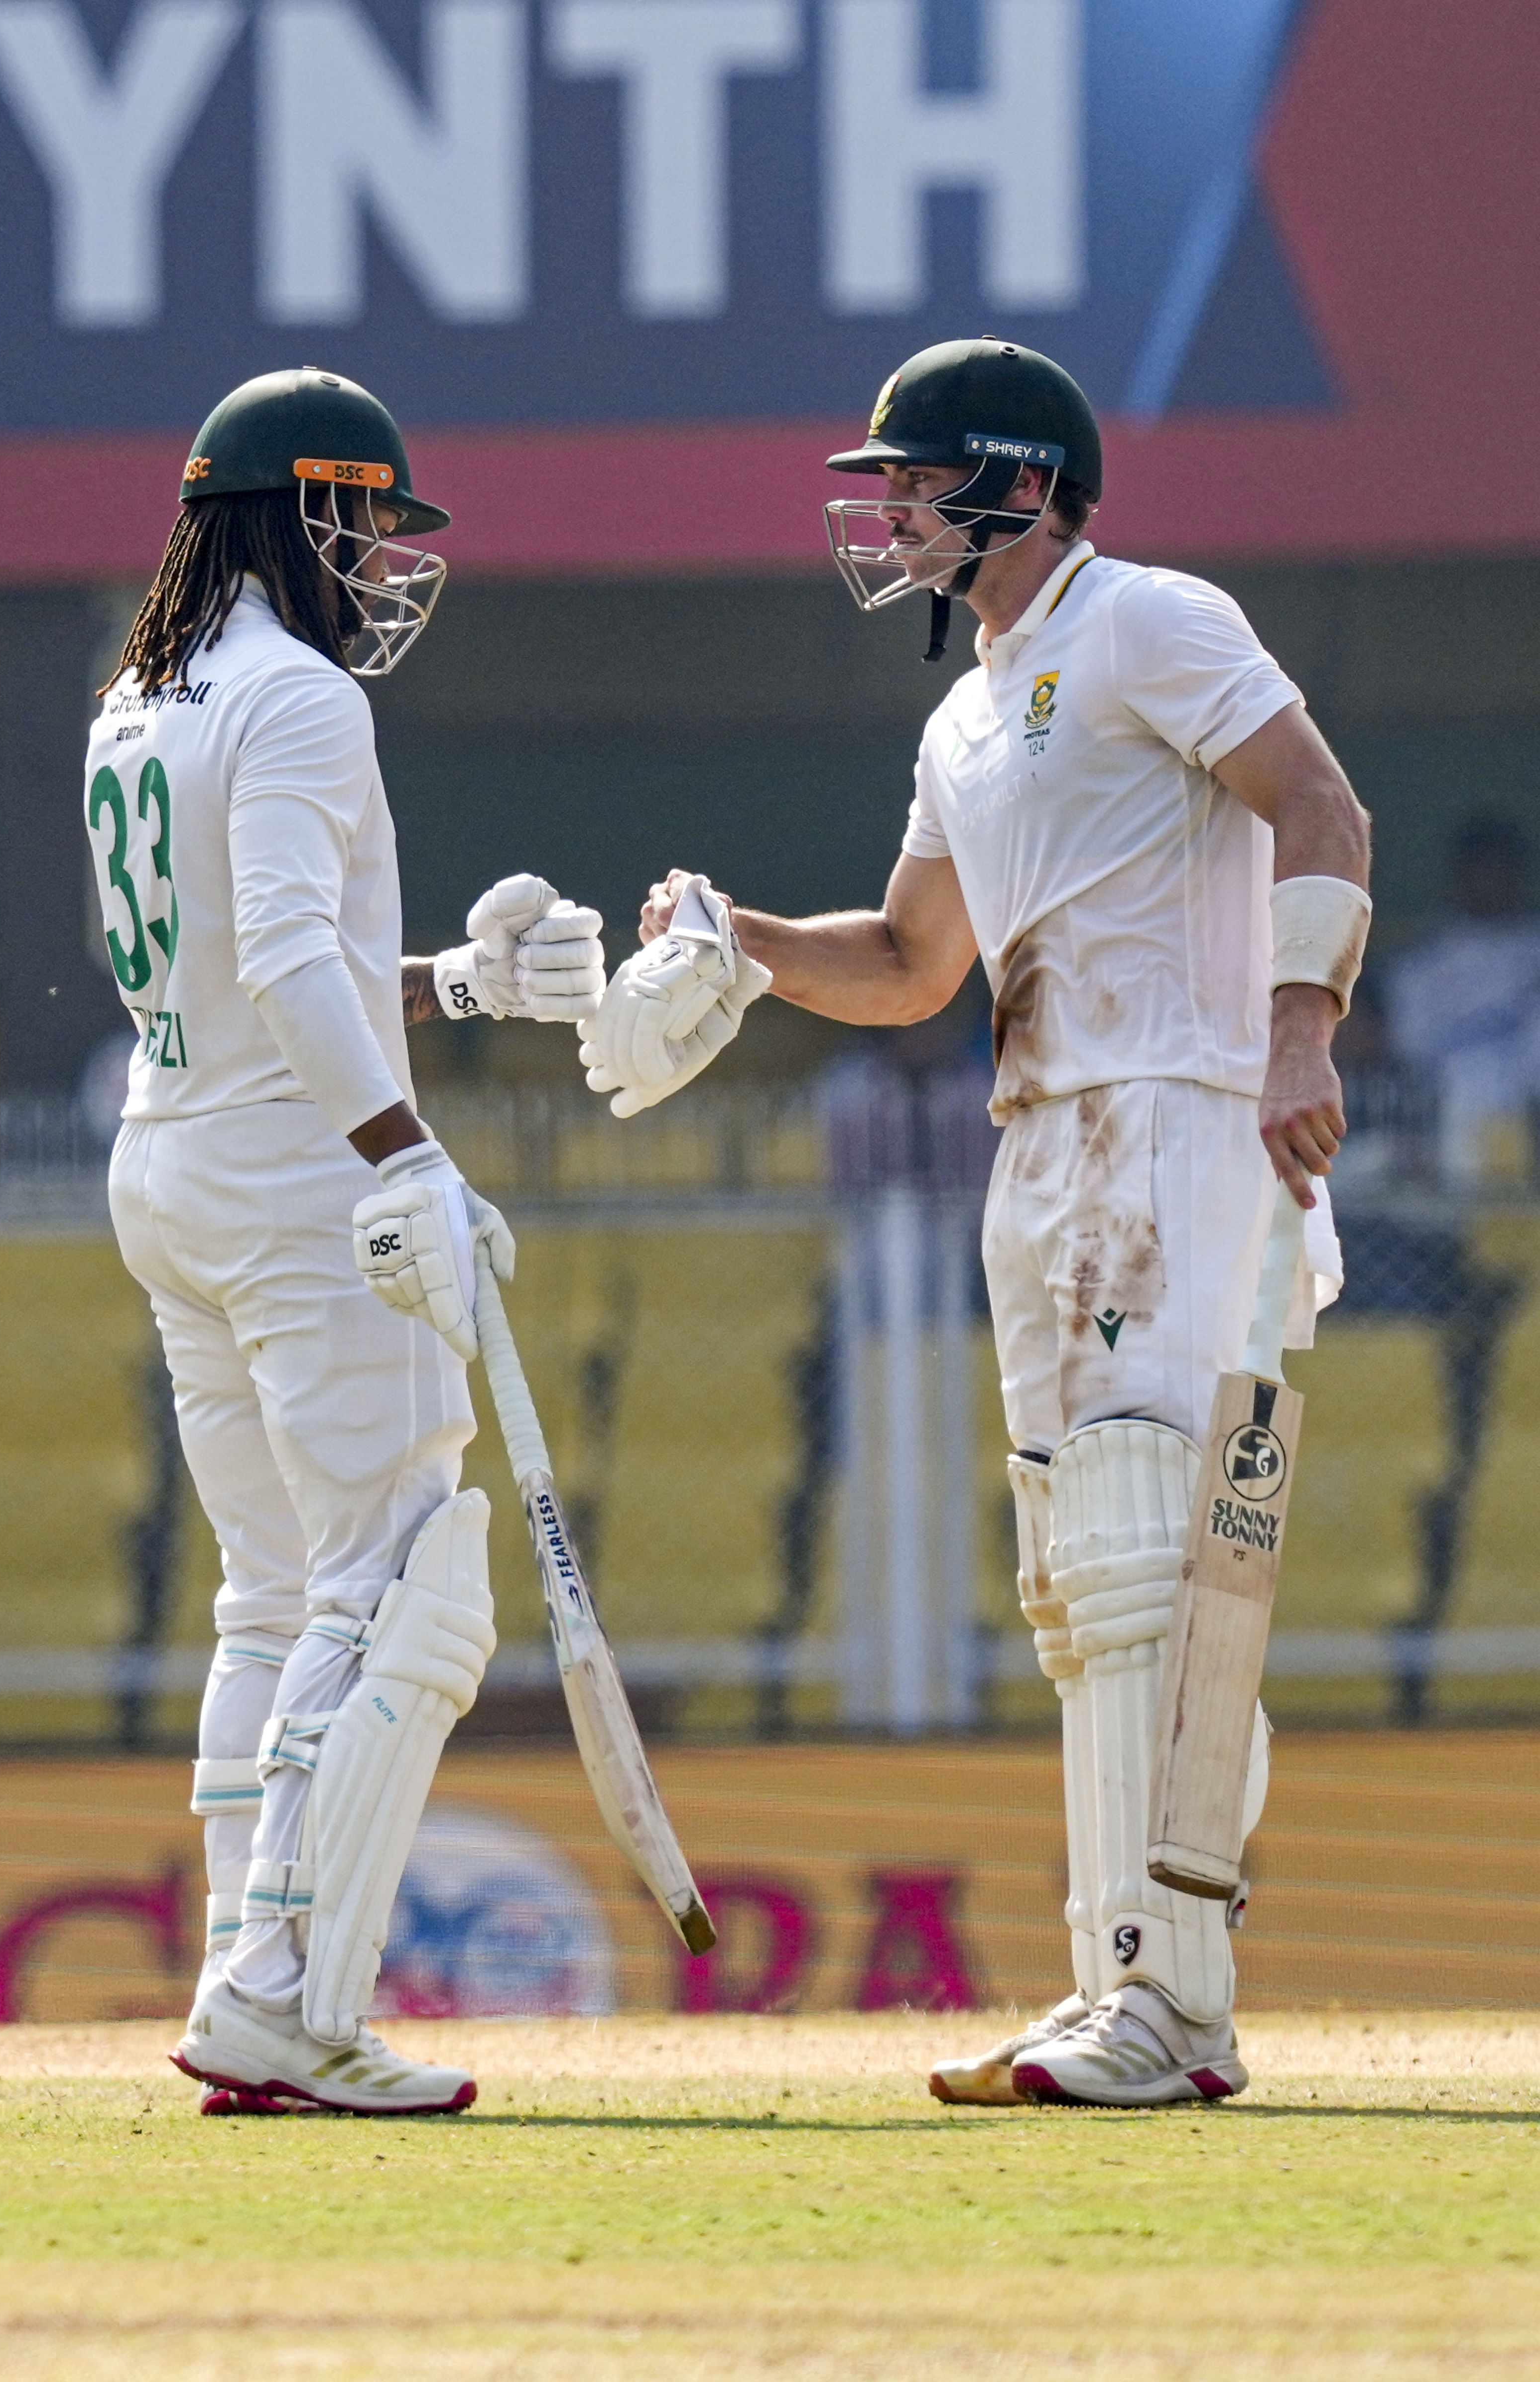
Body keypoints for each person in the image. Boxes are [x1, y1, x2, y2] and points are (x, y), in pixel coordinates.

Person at [583, 338, 1369, 2107]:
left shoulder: (1148, 620)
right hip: (1044, 1139)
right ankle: (1139, 1981)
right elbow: (913, 962)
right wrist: (740, 933)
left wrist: (1298, 1023)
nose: (889, 514)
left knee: (1129, 1554)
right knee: (1086, 1584)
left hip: (1168, 1112)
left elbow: (1317, 805)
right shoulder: (961, 714)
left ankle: (1157, 1997)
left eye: (915, 482)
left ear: (1017, 482)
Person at [83, 367, 604, 2116]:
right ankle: (288, 2001)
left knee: (276, 1598)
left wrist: (452, 985)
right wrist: (411, 1156)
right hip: (302, 1180)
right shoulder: (300, 697)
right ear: (302, 508)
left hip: (170, 1161)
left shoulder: (139, 693)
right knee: (398, 1589)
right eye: (369, 517)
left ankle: (250, 1971)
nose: (385, 555)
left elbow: (248, 972)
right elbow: (293, 968)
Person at [1388, 813, 1540, 1184]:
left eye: (1498, 868)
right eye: (1479, 868)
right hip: (1444, 1128)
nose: (1489, 880)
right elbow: (1409, 1048)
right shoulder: (1422, 962)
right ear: (1459, 875)